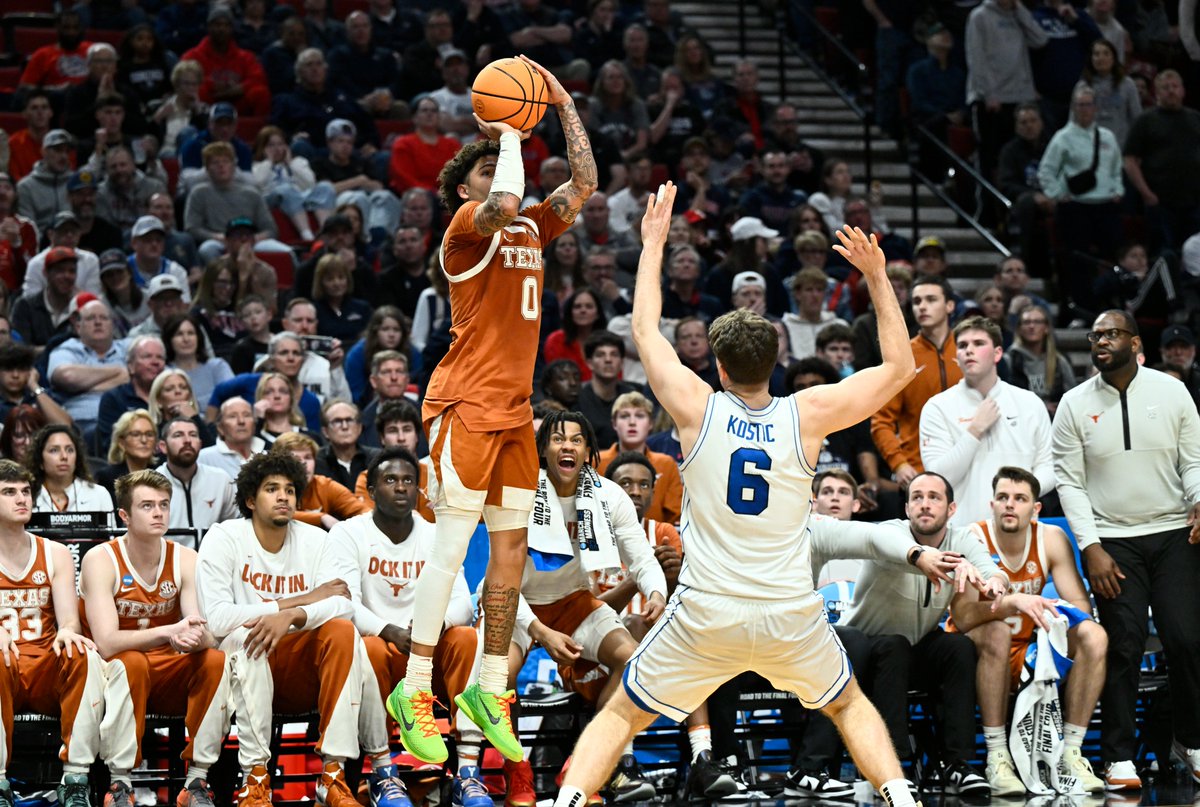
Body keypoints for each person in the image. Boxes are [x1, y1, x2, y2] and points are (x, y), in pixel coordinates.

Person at [550, 182, 926, 807]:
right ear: (776, 363)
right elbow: (897, 368)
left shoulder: (698, 408)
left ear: (719, 367)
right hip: (789, 611)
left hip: (708, 610)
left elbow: (644, 329)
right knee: (848, 704)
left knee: (621, 714)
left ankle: (565, 802)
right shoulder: (807, 414)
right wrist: (878, 277)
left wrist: (653, 243)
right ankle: (900, 797)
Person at [389, 54, 597, 766]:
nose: (500, 174)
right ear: (463, 188)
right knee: (452, 547)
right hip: (463, 404)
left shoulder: (533, 227)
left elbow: (584, 183)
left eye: (498, 163)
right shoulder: (464, 230)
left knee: (511, 555)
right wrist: (508, 132)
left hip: (513, 412)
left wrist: (563, 106)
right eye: (483, 169)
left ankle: (489, 687)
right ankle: (415, 688)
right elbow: (502, 201)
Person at [195, 452, 410, 807]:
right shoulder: (224, 537)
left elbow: (342, 602)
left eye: (290, 490)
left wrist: (294, 616)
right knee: (251, 636)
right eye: (271, 489)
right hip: (241, 667)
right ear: (250, 500)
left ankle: (333, 775)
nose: (283, 497)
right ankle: (255, 781)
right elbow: (218, 618)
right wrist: (292, 604)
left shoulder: (315, 540)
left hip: (301, 669)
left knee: (342, 632)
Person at [1051, 309, 1200, 790]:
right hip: (1112, 541)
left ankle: (1189, 740)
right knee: (1124, 644)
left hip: (1174, 531)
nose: (1101, 341)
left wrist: (1199, 499)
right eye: (1095, 335)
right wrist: (1090, 546)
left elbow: (1193, 460)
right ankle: (1118, 757)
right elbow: (1069, 483)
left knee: (1187, 640)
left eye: (1111, 334)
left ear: (1135, 343)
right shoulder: (1073, 404)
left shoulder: (1172, 392)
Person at [505, 413, 669, 801]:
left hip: (574, 601)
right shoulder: (519, 493)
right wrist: (540, 632)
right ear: (543, 449)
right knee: (500, 676)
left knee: (633, 661)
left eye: (577, 440)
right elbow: (499, 583)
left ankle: (585, 761)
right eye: (558, 439)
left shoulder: (608, 495)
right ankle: (517, 773)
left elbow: (642, 558)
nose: (568, 446)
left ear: (588, 450)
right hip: (515, 602)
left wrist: (657, 593)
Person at [319, 448, 486, 806]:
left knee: (466, 637)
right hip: (378, 660)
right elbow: (345, 603)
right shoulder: (348, 534)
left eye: (408, 480)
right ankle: (383, 771)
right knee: (368, 646)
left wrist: (434, 626)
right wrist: (389, 630)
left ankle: (468, 771)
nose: (400, 487)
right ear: (371, 490)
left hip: (427, 659)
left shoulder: (437, 535)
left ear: (418, 490)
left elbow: (463, 602)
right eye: (390, 480)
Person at [839, 472, 1008, 796]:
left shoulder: (962, 539)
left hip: (912, 650)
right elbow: (904, 551)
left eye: (934, 497)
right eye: (917, 497)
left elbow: (991, 571)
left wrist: (995, 584)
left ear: (951, 509)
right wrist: (949, 563)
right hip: (866, 654)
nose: (925, 504)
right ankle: (893, 770)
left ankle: (958, 763)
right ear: (906, 508)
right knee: (895, 646)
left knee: (957, 647)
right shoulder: (891, 532)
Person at [946, 466, 1107, 794]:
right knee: (997, 632)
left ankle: (1070, 754)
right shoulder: (972, 538)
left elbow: (1081, 607)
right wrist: (1014, 602)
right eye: (1003, 497)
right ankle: (997, 757)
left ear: (1035, 509)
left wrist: (1052, 616)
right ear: (991, 504)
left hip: (1027, 650)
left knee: (1094, 635)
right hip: (975, 650)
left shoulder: (1051, 538)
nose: (1010, 504)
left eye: (1020, 499)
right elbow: (962, 618)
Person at [79, 469, 232, 807]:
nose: (158, 513)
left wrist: (194, 637)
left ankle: (197, 781)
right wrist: (168, 631)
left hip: (164, 669)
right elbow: (106, 643)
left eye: (163, 504)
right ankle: (119, 784)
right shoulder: (100, 559)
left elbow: (200, 628)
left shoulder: (186, 558)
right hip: (110, 675)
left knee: (214, 660)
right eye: (147, 506)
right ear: (124, 515)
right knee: (130, 662)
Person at [0, 459, 109, 807]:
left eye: (25, 491)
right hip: (5, 667)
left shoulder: (55, 553)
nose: (21, 498)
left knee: (83, 653)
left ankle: (75, 779)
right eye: (9, 492)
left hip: (44, 667)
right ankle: (0, 783)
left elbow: (69, 621)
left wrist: (68, 631)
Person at [919, 316, 1055, 524]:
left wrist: (1021, 492)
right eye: (962, 345)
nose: (969, 350)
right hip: (962, 531)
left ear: (997, 353)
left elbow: (1049, 465)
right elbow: (938, 478)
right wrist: (974, 431)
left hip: (1021, 529)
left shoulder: (1030, 403)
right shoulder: (937, 407)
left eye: (979, 343)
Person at [1037, 85, 1124, 321]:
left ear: (1095, 108)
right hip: (1076, 208)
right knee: (1077, 262)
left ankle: (1112, 307)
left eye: (1088, 104)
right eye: (1080, 105)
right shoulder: (1062, 138)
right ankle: (1080, 311)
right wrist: (1057, 194)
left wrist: (1118, 190)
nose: (1084, 109)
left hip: (1106, 206)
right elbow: (1046, 171)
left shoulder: (1107, 136)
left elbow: (1116, 169)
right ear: (1073, 108)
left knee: (1113, 259)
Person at [870, 275, 962, 487]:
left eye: (931, 299)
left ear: (949, 305)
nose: (922, 306)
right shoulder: (903, 355)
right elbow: (881, 420)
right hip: (919, 473)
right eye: (917, 301)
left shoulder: (968, 351)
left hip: (968, 469)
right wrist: (899, 463)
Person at [1122, 70, 1200, 253]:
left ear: (1183, 90)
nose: (1171, 91)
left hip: (1194, 201)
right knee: (1163, 254)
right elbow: (1130, 160)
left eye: (1175, 86)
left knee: (1194, 254)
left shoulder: (1196, 118)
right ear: (1156, 92)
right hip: (1160, 202)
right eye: (1165, 87)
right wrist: (1146, 194)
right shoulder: (1145, 120)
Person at [595, 392, 683, 525]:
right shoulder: (595, 462)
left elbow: (675, 517)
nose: (632, 422)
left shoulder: (666, 464)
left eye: (640, 416)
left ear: (651, 423)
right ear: (614, 423)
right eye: (624, 416)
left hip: (655, 536)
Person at [48, 299, 129, 442]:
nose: (98, 322)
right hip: (82, 423)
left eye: (103, 318)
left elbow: (143, 375)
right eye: (91, 318)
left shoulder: (128, 348)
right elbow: (68, 377)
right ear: (78, 326)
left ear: (112, 325)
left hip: (126, 419)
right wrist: (118, 371)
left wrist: (81, 387)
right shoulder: (68, 349)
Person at [155, 417, 239, 547]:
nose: (187, 440)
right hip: (165, 557)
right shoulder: (151, 484)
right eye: (178, 435)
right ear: (163, 447)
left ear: (200, 444)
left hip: (212, 557)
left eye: (193, 435)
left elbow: (235, 529)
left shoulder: (220, 480)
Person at [271, 433, 370, 530]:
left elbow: (364, 513)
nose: (303, 464)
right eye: (296, 458)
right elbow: (271, 512)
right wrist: (321, 518)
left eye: (308, 457)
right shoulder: (269, 487)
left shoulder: (324, 486)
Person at [95, 335, 167, 454]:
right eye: (147, 356)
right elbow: (112, 446)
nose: (155, 362)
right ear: (130, 366)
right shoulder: (114, 399)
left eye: (160, 357)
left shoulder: (171, 397)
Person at [576, 331, 644, 449]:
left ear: (621, 362)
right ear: (589, 363)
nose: (608, 359)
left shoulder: (633, 396)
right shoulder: (576, 398)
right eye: (600, 355)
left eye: (614, 354)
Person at [1005, 303, 1077, 415]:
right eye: (1026, 322)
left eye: (1037, 322)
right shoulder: (1009, 360)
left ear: (1046, 328)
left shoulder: (1059, 361)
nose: (1032, 326)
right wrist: (1041, 406)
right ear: (1019, 329)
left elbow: (1072, 397)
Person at [28, 424, 114, 514]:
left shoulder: (99, 494)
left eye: (70, 450)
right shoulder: (27, 497)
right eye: (54, 450)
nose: (64, 456)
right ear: (40, 460)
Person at [163, 313, 234, 410]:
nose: (186, 339)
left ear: (199, 338)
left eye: (191, 333)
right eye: (179, 334)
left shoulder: (217, 366)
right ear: (169, 340)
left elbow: (233, 399)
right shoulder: (165, 373)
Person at [0, 343, 71, 427]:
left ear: (31, 371)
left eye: (22, 369)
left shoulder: (44, 396)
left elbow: (65, 426)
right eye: (8, 369)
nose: (15, 375)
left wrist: (34, 386)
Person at [315, 400, 376, 491]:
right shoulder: (316, 462)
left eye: (349, 420)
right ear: (325, 431)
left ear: (359, 427)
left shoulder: (375, 459)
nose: (344, 427)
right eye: (337, 421)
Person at [198, 397, 264, 479]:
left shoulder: (267, 455)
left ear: (254, 425)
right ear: (220, 428)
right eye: (232, 416)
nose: (241, 421)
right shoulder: (204, 458)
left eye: (246, 415)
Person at [97, 409, 158, 496]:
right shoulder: (107, 478)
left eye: (149, 434)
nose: (144, 440)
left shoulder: (161, 472)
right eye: (136, 434)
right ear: (121, 442)